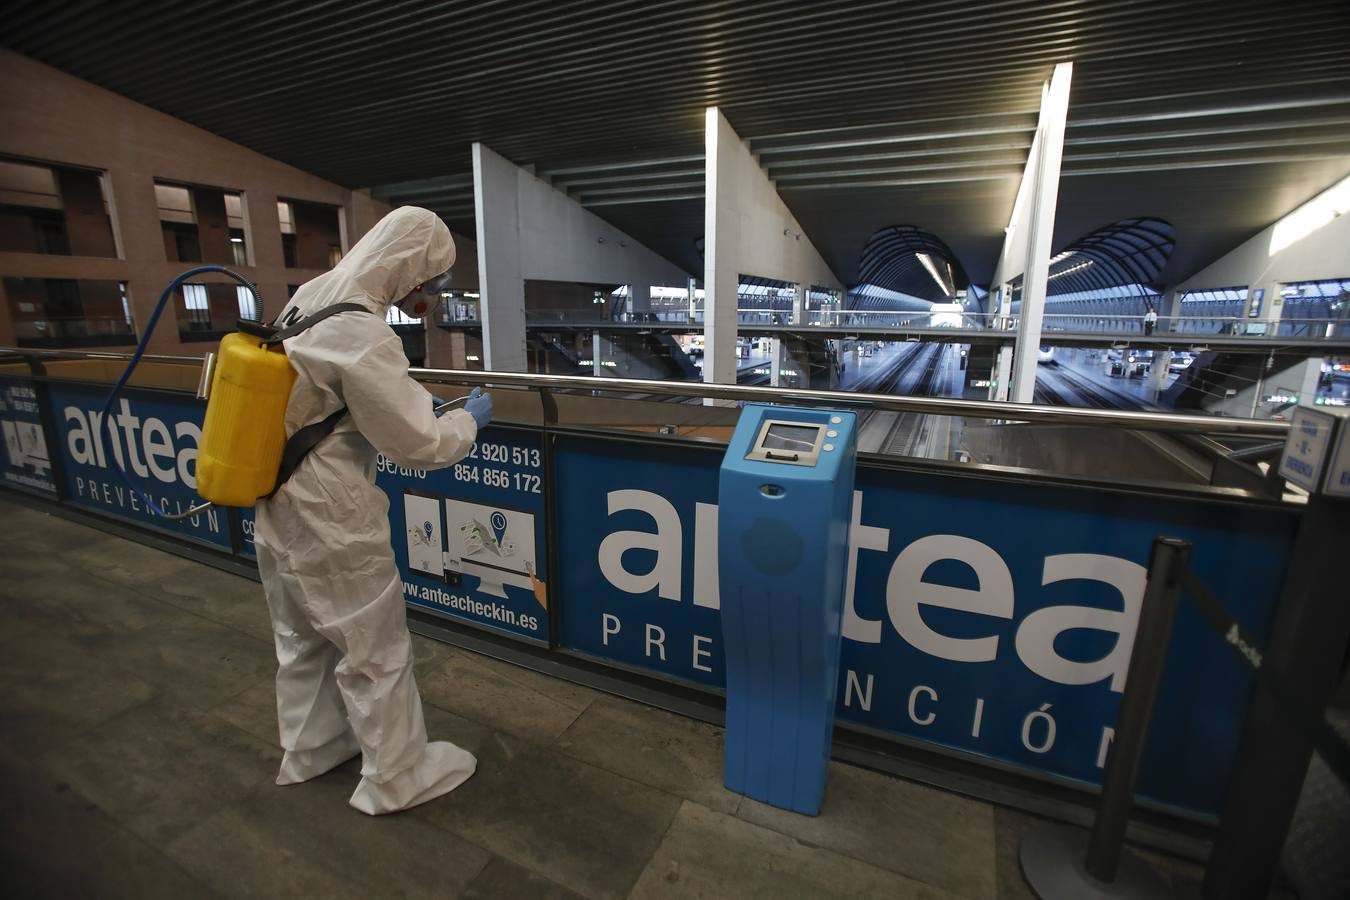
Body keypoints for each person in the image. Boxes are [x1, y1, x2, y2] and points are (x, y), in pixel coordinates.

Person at [254, 206, 494, 815]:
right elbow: (419, 446)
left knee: (302, 635)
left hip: (277, 493)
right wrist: (468, 421)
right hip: (330, 507)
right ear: (409, 266)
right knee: (373, 645)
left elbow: (330, 396)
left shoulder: (311, 296)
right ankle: (397, 775)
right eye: (433, 281)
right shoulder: (361, 327)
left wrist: (410, 399)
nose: (432, 295)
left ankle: (312, 750)